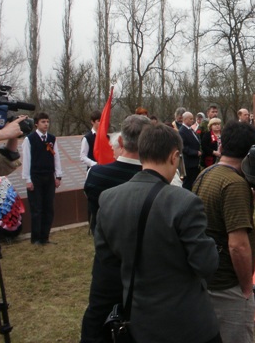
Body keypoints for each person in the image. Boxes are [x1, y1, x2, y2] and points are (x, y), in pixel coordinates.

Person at [94, 123, 222, 343]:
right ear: (174, 156)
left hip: (139, 322)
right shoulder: (184, 202)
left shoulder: (108, 198)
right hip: (188, 324)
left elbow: (108, 263)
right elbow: (206, 264)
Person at [80, 115, 152, 343]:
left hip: (107, 259)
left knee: (98, 316)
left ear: (120, 142)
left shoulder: (97, 174)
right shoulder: (158, 178)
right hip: (146, 262)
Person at [192, 121, 255, 343]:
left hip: (206, 277)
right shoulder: (234, 184)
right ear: (251, 152)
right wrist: (247, 289)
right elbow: (237, 245)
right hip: (228, 285)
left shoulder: (206, 174)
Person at [21, 112, 62, 245]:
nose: (46, 124)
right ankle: (36, 238)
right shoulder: (30, 139)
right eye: (43, 122)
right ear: (37, 124)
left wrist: (58, 175)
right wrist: (27, 179)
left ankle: (45, 237)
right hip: (35, 177)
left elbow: (56, 157)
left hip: (49, 176)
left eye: (47, 121)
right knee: (37, 209)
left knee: (48, 208)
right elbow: (27, 159)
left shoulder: (51, 138)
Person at [179, 111, 202, 191]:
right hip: (189, 162)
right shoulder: (182, 131)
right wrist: (195, 152)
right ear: (185, 119)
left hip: (195, 162)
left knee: (194, 181)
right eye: (191, 119)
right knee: (188, 183)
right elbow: (182, 147)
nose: (193, 120)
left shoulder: (190, 129)